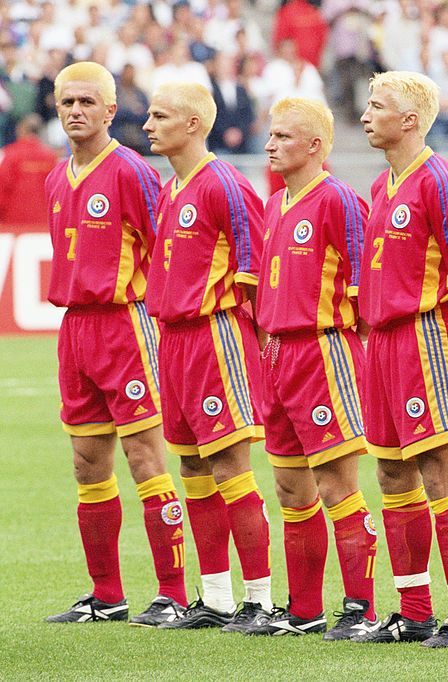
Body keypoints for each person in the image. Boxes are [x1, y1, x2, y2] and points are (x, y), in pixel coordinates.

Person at [43, 62, 187, 626]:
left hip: (126, 324)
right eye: (66, 102)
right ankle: (107, 595)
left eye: (86, 102)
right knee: (86, 463)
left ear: (109, 110)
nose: (75, 111)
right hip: (75, 329)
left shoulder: (131, 171)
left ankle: (173, 594)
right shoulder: (58, 177)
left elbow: (165, 247)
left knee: (145, 456)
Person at [245, 97, 380, 639]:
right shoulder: (275, 204)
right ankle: (303, 609)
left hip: (322, 353)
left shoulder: (341, 201)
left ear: (316, 146)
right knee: (290, 488)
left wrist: (347, 351)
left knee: (336, 484)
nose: (271, 144)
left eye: (283, 137)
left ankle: (360, 607)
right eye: (271, 135)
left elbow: (362, 291)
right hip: (277, 354)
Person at [355, 71, 448, 648]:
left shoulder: (442, 183)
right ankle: (414, 610)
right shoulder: (383, 187)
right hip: (381, 342)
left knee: (438, 471)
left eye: (377, 106)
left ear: (409, 120)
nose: (366, 115)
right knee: (390, 470)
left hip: (427, 337)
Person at [142, 81, 272, 632]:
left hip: (216, 336)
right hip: (173, 338)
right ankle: (216, 597)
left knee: (228, 465)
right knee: (192, 464)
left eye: (159, 116)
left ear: (193, 124)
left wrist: (253, 341)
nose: (147, 125)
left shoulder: (227, 185)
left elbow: (255, 273)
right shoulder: (172, 189)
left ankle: (259, 598)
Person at [0, 113, 58, 224]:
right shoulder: (51, 157)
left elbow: (2, 189)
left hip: (13, 224)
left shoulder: (10, 154)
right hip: (44, 225)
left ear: (21, 129)